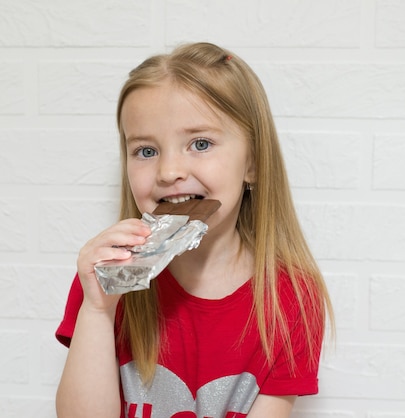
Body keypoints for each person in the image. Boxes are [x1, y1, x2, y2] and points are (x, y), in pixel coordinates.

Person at [55, 42, 333, 418]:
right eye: (146, 151)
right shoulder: (107, 277)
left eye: (200, 144)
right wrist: (97, 310)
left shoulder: (290, 301)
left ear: (251, 163)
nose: (169, 171)